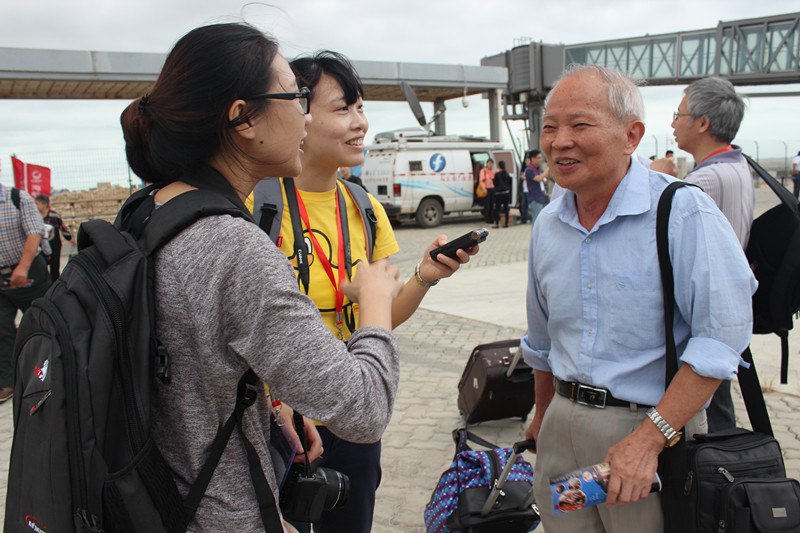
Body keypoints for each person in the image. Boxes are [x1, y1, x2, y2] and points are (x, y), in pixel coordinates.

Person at [119, 24, 407, 532]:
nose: (304, 111)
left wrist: (269, 408)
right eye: (295, 96)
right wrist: (376, 300)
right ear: (243, 118)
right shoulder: (234, 247)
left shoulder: (145, 212)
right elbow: (364, 409)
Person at [521, 64, 756, 533]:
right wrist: (544, 413)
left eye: (579, 125)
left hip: (646, 437)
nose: (559, 141)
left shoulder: (683, 211)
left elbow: (720, 340)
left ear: (631, 135)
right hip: (563, 430)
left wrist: (648, 441)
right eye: (550, 127)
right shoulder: (549, 224)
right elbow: (542, 341)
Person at [248, 50, 475, 533]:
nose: (361, 123)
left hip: (351, 416)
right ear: (299, 115)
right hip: (276, 420)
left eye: (361, 108)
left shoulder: (365, 207)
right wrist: (271, 402)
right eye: (344, 108)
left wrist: (424, 277)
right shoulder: (255, 205)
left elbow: (381, 318)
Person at [671, 76, 754, 432]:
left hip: (700, 317)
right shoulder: (736, 166)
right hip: (725, 311)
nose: (672, 122)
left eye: (679, 113)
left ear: (702, 123)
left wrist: (662, 181)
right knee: (719, 404)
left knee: (709, 410)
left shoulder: (700, 184)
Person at [0, 183, 50, 403]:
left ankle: (54, 368)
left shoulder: (18, 198)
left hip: (29, 273)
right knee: (2, 329)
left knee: (43, 321)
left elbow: (34, 233)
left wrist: (23, 266)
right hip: (2, 279)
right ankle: (7, 382)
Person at [34, 194, 75, 282]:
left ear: (45, 204)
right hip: (40, 246)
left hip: (54, 244)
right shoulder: (34, 217)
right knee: (42, 266)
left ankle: (55, 286)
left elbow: (62, 227)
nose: (35, 206)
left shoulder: (54, 216)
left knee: (55, 266)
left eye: (37, 204)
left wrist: (69, 238)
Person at [525, 149, 548, 225]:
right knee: (536, 222)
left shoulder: (538, 169)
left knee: (543, 222)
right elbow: (539, 178)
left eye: (541, 158)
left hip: (542, 197)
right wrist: (548, 169)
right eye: (538, 158)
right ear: (532, 158)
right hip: (535, 199)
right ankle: (535, 237)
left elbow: (547, 176)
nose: (540, 160)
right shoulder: (529, 170)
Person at [492, 160, 512, 227]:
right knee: (506, 209)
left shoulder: (497, 174)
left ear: (498, 166)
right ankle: (506, 223)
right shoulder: (506, 174)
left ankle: (497, 224)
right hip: (506, 193)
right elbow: (510, 183)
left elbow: (495, 183)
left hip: (499, 194)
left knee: (497, 209)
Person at [479, 158, 496, 223]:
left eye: (491, 163)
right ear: (487, 164)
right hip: (486, 189)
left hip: (492, 188)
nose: (490, 165)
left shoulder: (493, 171)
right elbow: (481, 181)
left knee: (492, 205)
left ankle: (492, 219)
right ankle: (487, 219)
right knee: (487, 205)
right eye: (489, 163)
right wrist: (484, 188)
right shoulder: (483, 171)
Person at [518, 154, 530, 223]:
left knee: (530, 206)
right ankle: (523, 219)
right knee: (523, 206)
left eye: (528, 161)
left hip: (529, 191)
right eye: (526, 161)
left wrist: (524, 177)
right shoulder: (524, 170)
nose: (526, 162)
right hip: (524, 190)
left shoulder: (531, 170)